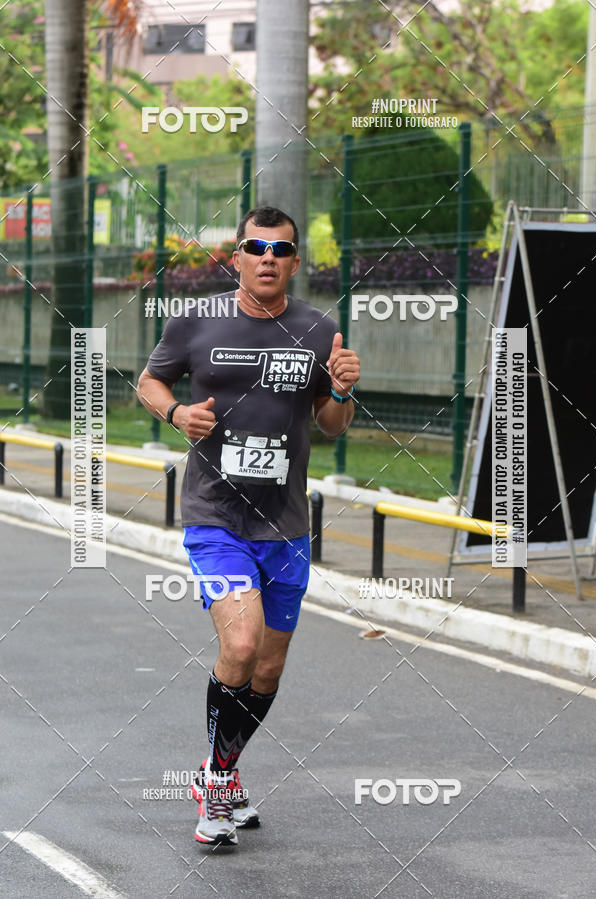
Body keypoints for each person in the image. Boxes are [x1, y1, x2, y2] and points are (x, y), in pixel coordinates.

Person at [137, 206, 360, 846]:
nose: (268, 258)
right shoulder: (197, 321)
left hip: (286, 524)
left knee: (267, 668)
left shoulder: (318, 329)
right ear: (236, 256)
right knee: (239, 645)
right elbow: (149, 382)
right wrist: (178, 413)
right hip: (216, 515)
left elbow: (330, 424)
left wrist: (343, 392)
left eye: (281, 249)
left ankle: (223, 770)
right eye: (256, 247)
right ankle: (212, 790)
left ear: (294, 261)